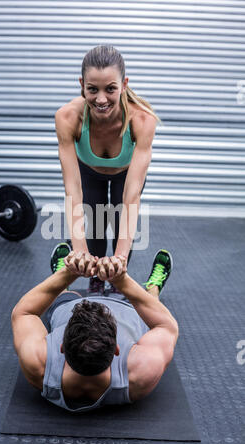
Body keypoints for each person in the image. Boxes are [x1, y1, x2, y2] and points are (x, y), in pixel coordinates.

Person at [11, 244, 178, 413]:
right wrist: (121, 281)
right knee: (149, 300)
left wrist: (68, 273)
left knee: (64, 297)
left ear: (61, 347)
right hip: (131, 312)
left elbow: (23, 313)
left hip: (70, 306)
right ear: (116, 350)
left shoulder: (38, 364)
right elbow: (166, 325)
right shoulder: (140, 372)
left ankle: (60, 278)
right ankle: (153, 288)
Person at [55, 45, 160, 294]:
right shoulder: (67, 118)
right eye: (93, 89)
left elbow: (131, 197)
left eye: (110, 88)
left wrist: (120, 259)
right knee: (95, 230)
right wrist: (79, 249)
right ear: (82, 85)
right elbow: (73, 190)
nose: (101, 99)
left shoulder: (142, 120)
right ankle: (95, 279)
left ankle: (115, 278)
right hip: (88, 173)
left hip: (125, 175)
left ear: (123, 85)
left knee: (119, 219)